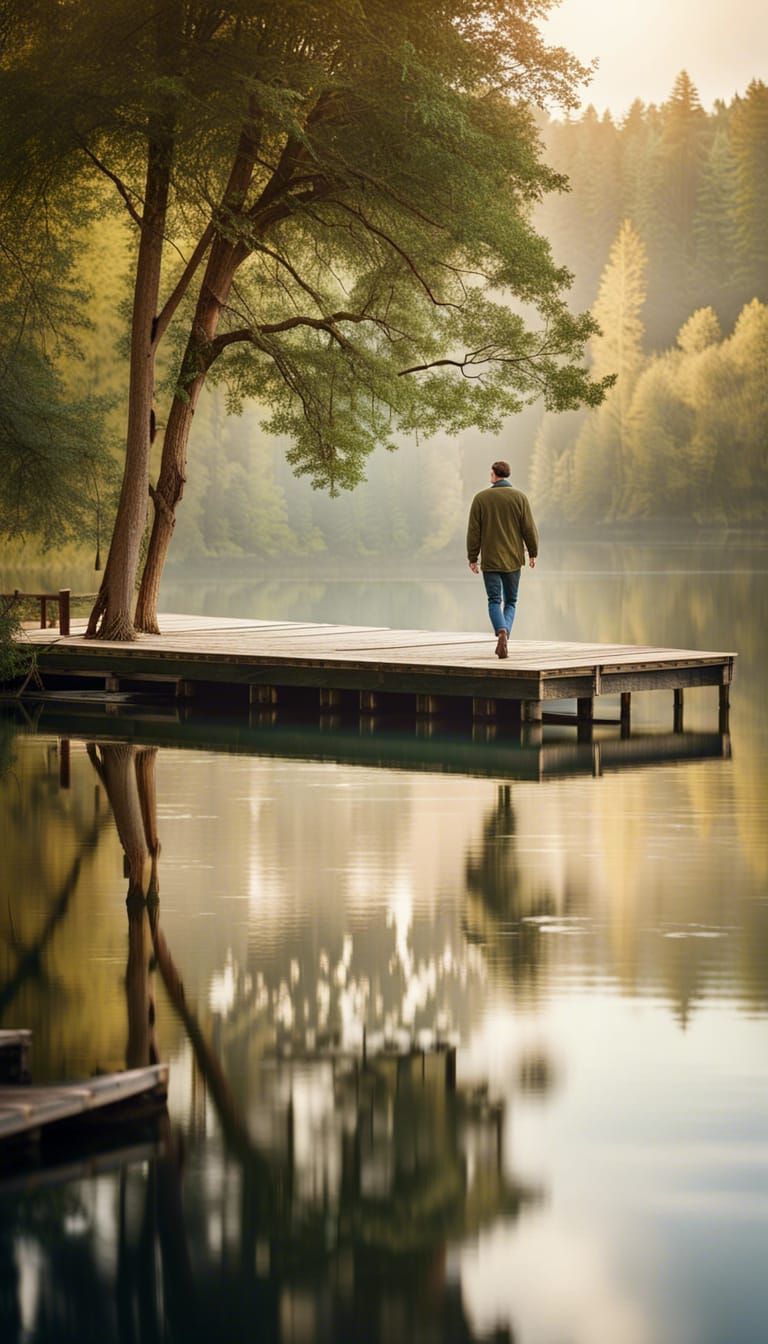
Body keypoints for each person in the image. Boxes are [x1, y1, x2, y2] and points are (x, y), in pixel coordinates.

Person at [466, 460, 539, 659]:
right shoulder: (520, 497)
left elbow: (474, 531)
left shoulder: (481, 498)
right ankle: (506, 631)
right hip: (514, 559)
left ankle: (501, 631)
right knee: (511, 601)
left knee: (494, 600)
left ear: (493, 475)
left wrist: (473, 557)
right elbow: (529, 529)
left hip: (490, 559)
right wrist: (533, 552)